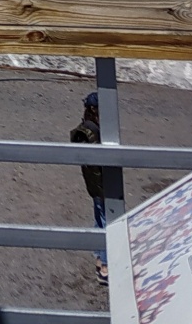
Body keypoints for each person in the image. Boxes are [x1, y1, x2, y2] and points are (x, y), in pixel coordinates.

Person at [70, 92, 109, 284]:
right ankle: (106, 268)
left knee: (99, 218)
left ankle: (99, 258)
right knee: (107, 222)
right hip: (102, 184)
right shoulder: (97, 132)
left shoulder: (85, 128)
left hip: (93, 185)